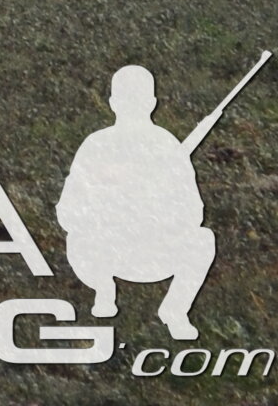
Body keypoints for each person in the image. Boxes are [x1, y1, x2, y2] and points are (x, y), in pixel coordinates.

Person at [60, 63, 226, 338]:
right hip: (106, 251)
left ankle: (175, 310)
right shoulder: (96, 145)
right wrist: (109, 211)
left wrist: (156, 213)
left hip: (155, 251)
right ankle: (104, 289)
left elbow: (194, 213)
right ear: (152, 103)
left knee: (202, 239)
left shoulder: (168, 146)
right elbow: (68, 210)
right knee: (78, 238)